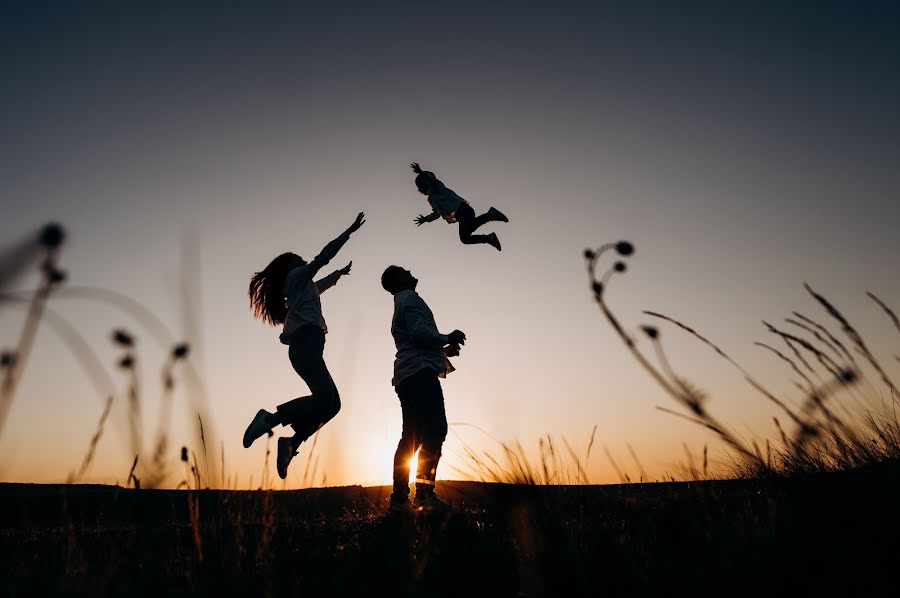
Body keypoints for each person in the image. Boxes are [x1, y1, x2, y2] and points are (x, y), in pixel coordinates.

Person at [243, 212, 366, 479]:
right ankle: (269, 419)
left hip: (307, 348)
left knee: (332, 405)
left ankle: (290, 444)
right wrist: (349, 231)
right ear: (291, 265)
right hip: (304, 346)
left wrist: (338, 275)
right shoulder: (297, 275)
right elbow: (323, 257)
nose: (303, 260)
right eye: (298, 258)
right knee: (325, 400)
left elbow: (319, 285)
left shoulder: (301, 285)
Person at [381, 265, 466, 513]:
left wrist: (442, 351)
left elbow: (413, 338)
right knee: (436, 429)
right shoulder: (411, 299)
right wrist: (446, 337)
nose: (409, 270)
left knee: (412, 437)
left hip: (407, 375)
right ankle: (424, 496)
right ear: (398, 280)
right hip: (419, 374)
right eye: (403, 270)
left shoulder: (401, 303)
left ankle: (399, 500)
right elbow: (419, 333)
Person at [410, 162, 508, 251]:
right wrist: (426, 219)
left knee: (470, 227)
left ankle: (490, 218)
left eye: (419, 187)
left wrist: (421, 172)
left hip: (463, 209)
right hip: (460, 216)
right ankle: (490, 226)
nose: (418, 190)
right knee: (465, 238)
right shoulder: (431, 199)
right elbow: (436, 214)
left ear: (424, 184)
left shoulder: (436, 187)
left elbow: (432, 180)